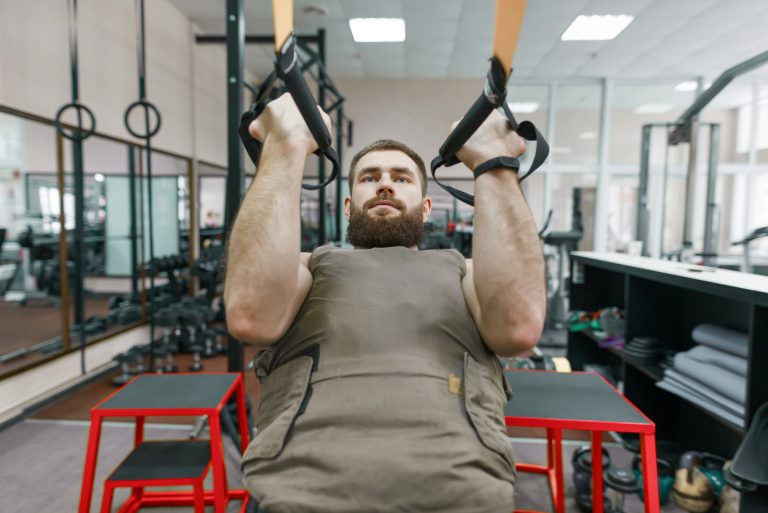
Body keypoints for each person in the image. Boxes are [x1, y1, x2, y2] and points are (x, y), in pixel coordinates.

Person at [225, 93, 546, 513]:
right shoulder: (308, 268)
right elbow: (250, 314)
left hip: (456, 493)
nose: (385, 183)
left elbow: (519, 326)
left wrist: (493, 164)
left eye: (402, 177)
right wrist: (283, 147)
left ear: (427, 208)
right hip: (304, 494)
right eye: (369, 176)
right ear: (348, 205)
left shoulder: (466, 271)